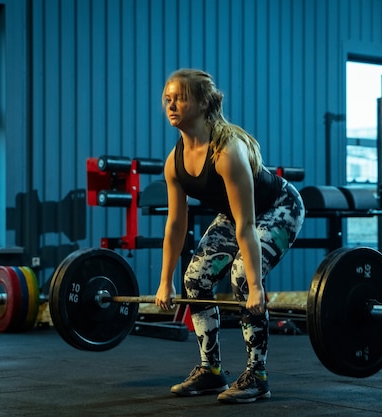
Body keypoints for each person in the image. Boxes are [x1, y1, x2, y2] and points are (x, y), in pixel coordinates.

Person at [155, 68, 305, 404]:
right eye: (168, 99)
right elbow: (175, 226)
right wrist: (166, 281)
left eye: (180, 98)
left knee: (241, 276)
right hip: (238, 216)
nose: (171, 105)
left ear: (203, 103)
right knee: (194, 279)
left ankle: (258, 374)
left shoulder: (227, 153)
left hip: (279, 207)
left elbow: (247, 227)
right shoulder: (174, 163)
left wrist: (255, 287)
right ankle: (211, 370)